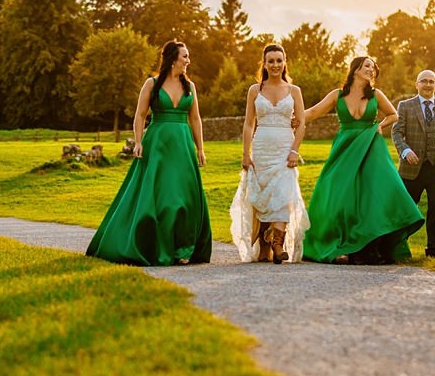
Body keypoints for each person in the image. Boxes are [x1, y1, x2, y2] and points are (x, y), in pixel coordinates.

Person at [86, 40, 212, 266]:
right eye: (185, 56)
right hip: (158, 145)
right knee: (161, 197)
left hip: (182, 145)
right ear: (173, 58)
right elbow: (140, 115)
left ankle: (184, 248)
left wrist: (200, 147)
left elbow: (195, 118)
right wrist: (138, 142)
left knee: (185, 197)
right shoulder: (152, 84)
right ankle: (157, 246)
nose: (188, 60)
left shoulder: (190, 86)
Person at [301, 56, 424, 264]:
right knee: (336, 194)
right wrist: (286, 117)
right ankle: (337, 243)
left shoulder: (376, 94)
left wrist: (379, 125)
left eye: (373, 68)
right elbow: (313, 112)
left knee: (372, 196)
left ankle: (370, 247)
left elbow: (393, 115)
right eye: (367, 66)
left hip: (371, 148)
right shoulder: (337, 95)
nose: (371, 70)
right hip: (345, 148)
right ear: (355, 69)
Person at [230, 43, 311, 263]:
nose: (275, 64)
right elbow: (248, 124)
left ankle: (278, 243)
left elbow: (302, 123)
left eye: (279, 60)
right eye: (271, 61)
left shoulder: (294, 91)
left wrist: (294, 150)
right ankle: (265, 243)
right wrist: (246, 154)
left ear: (285, 62)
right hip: (261, 148)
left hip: (285, 148)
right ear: (264, 64)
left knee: (284, 194)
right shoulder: (255, 90)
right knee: (263, 197)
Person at [392, 70, 435, 259]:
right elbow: (396, 133)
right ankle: (397, 248)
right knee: (406, 210)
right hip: (411, 169)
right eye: (424, 81)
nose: (428, 85)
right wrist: (405, 151)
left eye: (431, 82)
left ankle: (433, 251)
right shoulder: (405, 106)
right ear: (417, 84)